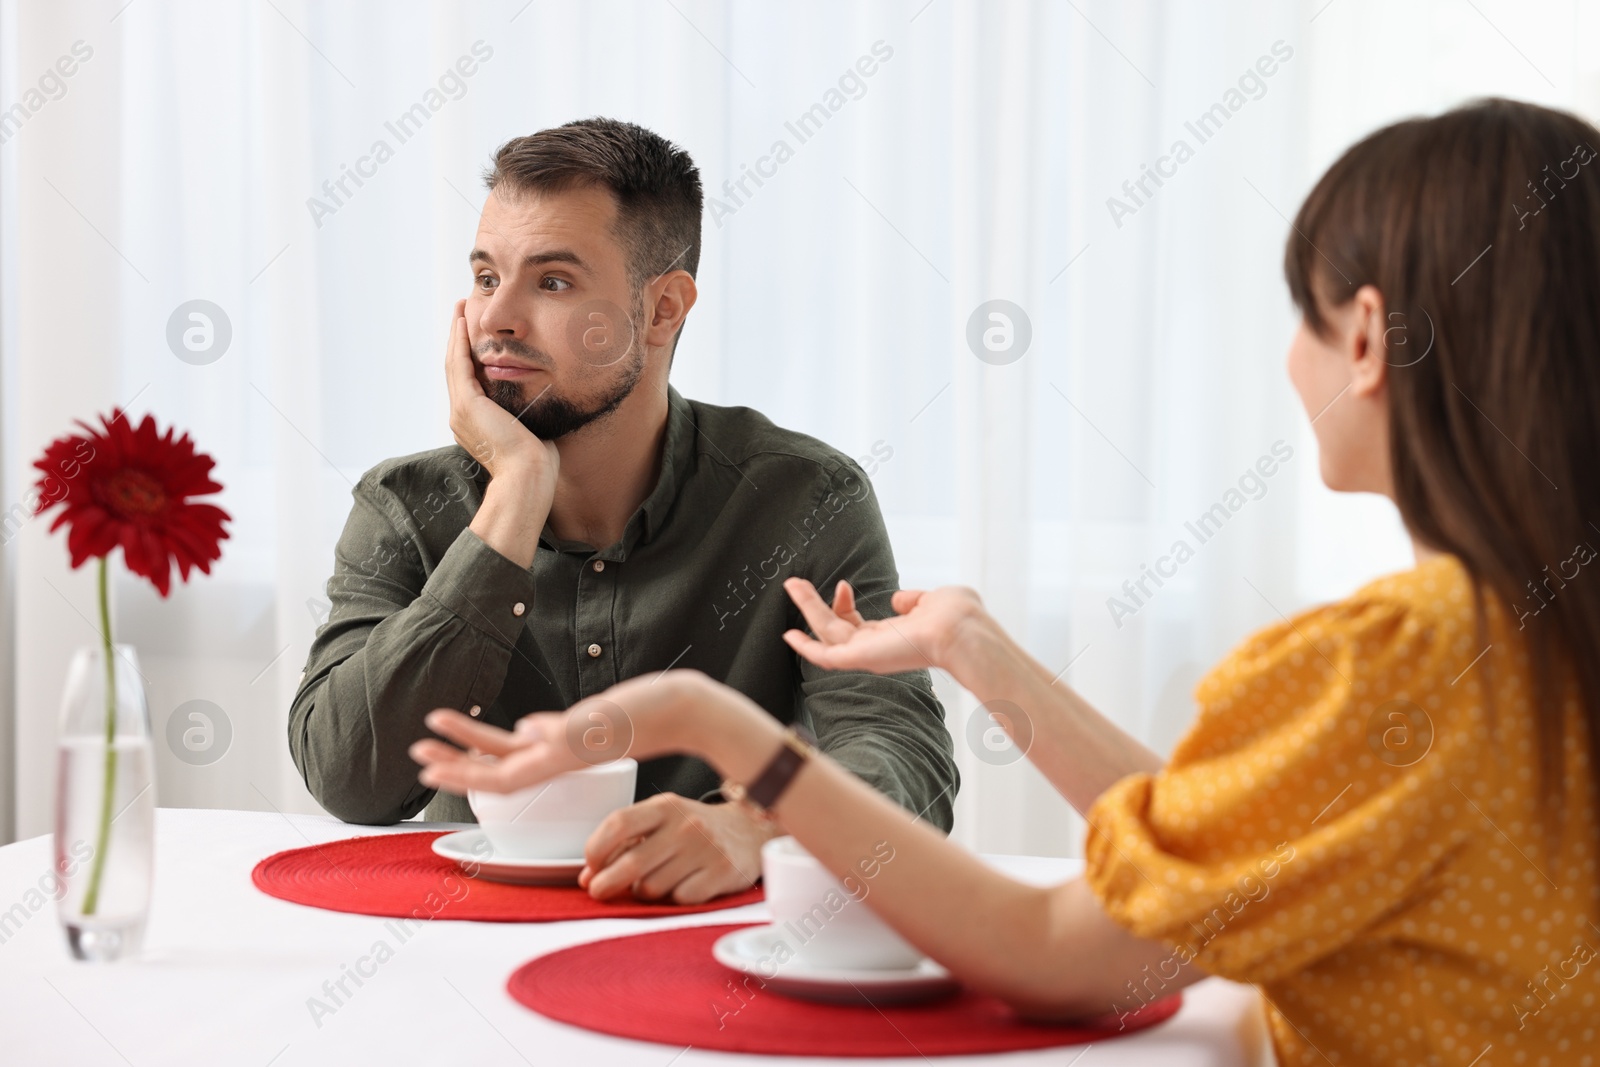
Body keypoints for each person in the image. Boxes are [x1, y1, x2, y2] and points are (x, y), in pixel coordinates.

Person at [411, 98, 1600, 1064]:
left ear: (1369, 337)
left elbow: (1058, 952)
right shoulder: (1523, 639)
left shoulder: (1400, 661)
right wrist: (973, 646)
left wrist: (720, 732)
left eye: (1303, 309)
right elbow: (1223, 849)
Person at [289, 117, 958, 905]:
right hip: (464, 943)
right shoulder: (403, 506)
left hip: (711, 949)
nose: (496, 319)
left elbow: (902, 757)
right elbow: (347, 779)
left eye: (553, 282)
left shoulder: (806, 499)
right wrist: (512, 494)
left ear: (664, 309)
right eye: (484, 277)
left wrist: (755, 824)